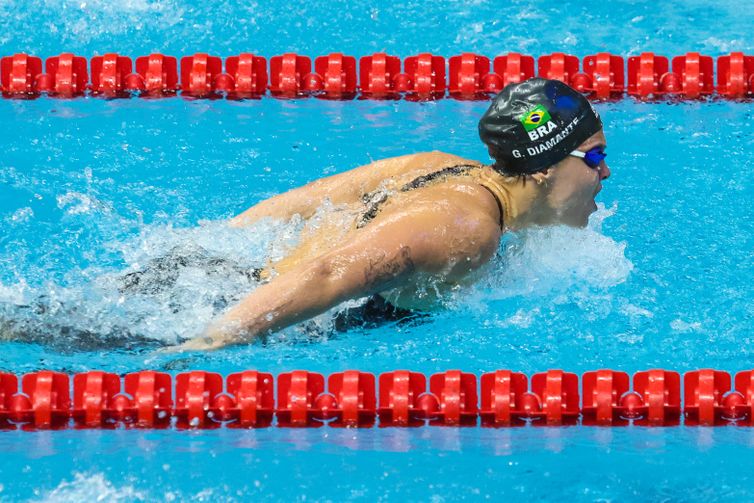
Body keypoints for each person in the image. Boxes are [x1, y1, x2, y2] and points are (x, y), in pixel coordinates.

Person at [174, 77, 611, 351]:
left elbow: (285, 208)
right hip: (216, 313)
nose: (604, 173)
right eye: (593, 158)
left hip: (201, 275)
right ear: (543, 167)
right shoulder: (466, 231)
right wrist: (209, 342)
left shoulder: (439, 165)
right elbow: (328, 272)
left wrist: (191, 250)